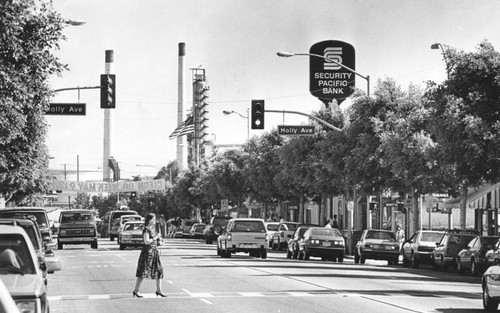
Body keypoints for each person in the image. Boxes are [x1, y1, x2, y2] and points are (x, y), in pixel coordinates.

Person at [133, 213, 166, 298]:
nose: (155, 221)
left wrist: (159, 242)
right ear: (150, 220)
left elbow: (154, 241)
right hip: (147, 253)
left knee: (159, 270)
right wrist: (155, 237)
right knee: (143, 272)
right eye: (153, 219)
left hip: (154, 252)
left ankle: (159, 290)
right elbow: (146, 241)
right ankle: (136, 290)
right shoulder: (146, 230)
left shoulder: (152, 229)